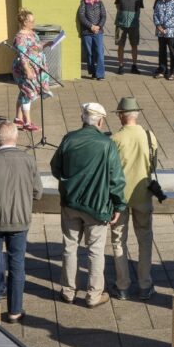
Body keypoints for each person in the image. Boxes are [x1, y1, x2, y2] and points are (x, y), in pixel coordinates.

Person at [51, 103, 127, 308]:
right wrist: (119, 206)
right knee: (95, 251)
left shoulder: (69, 139)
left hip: (70, 203)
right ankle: (94, 294)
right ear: (101, 121)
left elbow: (55, 168)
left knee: (69, 247)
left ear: (82, 118)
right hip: (97, 206)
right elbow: (116, 180)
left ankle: (68, 291)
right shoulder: (106, 144)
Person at [0, 121, 43, 324]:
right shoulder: (28, 160)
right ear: (16, 137)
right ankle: (14, 311)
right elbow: (37, 192)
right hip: (20, 221)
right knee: (17, 264)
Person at [110, 97, 157, 301]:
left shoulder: (115, 139)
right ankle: (145, 284)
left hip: (120, 197)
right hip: (143, 195)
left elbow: (110, 171)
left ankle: (122, 285)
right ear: (136, 114)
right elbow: (153, 164)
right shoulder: (148, 135)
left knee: (119, 239)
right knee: (145, 238)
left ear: (121, 115)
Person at [11, 8, 52, 132]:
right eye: (31, 21)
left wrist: (46, 44)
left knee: (24, 92)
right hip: (25, 69)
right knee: (28, 93)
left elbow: (35, 47)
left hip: (36, 67)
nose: (33, 24)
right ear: (24, 22)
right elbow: (22, 56)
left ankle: (18, 119)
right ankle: (27, 123)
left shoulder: (32, 33)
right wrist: (28, 70)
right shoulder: (20, 37)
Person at [114, 0, 143, 75]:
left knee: (134, 45)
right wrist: (122, 16)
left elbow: (139, 9)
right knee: (120, 45)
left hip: (134, 25)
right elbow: (117, 5)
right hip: (121, 24)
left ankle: (134, 65)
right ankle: (121, 65)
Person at [77, 0, 107, 80]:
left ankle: (100, 74)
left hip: (98, 31)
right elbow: (81, 17)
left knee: (99, 52)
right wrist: (91, 26)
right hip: (87, 32)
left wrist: (98, 26)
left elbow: (103, 16)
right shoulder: (83, 3)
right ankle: (93, 71)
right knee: (89, 53)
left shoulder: (100, 3)